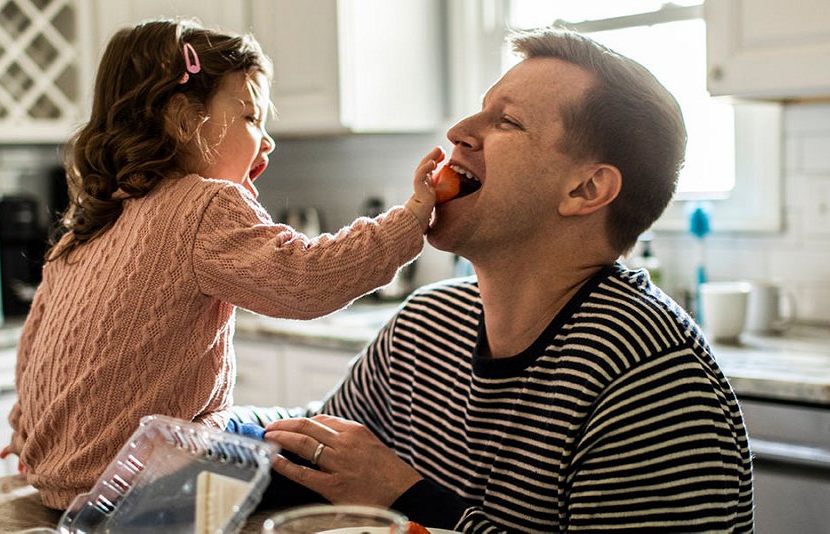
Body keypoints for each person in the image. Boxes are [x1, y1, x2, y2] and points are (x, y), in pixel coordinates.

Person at [229, 28, 755, 531]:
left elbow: (375, 480)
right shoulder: (428, 323)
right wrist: (196, 425)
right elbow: (320, 443)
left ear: (586, 188)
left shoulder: (654, 383)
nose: (459, 131)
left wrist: (406, 496)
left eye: (506, 121)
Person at [3, 19, 442, 509]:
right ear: (181, 117)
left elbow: (33, 355)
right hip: (156, 479)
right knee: (328, 460)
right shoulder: (203, 205)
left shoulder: (84, 229)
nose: (267, 141)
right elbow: (306, 280)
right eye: (251, 118)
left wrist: (29, 433)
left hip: (64, 484)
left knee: (268, 424)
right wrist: (411, 219)